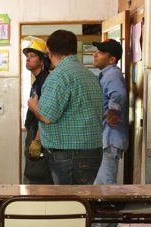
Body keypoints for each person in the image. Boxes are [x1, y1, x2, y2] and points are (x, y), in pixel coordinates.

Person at [28, 30, 103, 185]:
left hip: (69, 155)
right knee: (82, 197)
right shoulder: (88, 74)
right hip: (93, 151)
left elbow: (47, 117)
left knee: (69, 198)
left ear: (49, 51)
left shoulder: (59, 76)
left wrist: (33, 106)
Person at [92, 39, 128, 185]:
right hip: (107, 138)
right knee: (101, 183)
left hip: (111, 137)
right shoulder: (106, 74)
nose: (95, 54)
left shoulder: (112, 74)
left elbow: (118, 94)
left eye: (101, 53)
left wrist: (113, 111)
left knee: (106, 183)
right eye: (96, 51)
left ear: (112, 59)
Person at [22, 37, 53, 185]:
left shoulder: (46, 81)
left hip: (40, 135)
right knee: (32, 174)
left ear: (42, 61)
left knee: (38, 176)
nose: (28, 59)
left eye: (32, 56)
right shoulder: (37, 81)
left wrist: (37, 140)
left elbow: (46, 114)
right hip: (33, 131)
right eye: (27, 56)